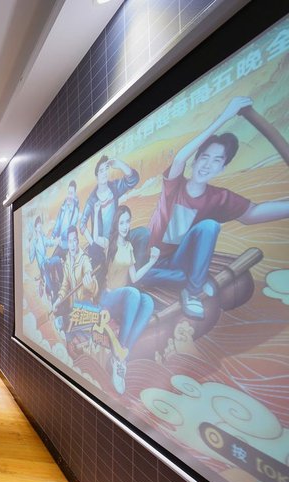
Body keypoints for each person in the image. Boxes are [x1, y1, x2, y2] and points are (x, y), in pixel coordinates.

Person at [138, 96, 289, 319]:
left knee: (209, 226)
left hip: (180, 261)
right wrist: (225, 116)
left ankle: (192, 291)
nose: (208, 165)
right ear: (195, 160)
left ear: (223, 168)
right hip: (152, 263)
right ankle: (195, 281)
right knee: (145, 276)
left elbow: (253, 214)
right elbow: (179, 159)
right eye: (204, 157)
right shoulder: (174, 186)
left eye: (217, 160)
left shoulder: (219, 198)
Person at [99, 206, 159, 394]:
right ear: (116, 224)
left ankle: (121, 357)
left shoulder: (129, 246)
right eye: (122, 222)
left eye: (128, 221)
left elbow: (134, 277)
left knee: (148, 301)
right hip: (109, 297)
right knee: (134, 294)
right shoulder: (109, 244)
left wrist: (152, 261)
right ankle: (119, 354)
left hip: (123, 298)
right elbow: (94, 238)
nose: (125, 226)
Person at [80, 156, 140, 271]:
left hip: (117, 238)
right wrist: (93, 243)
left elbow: (133, 180)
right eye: (101, 170)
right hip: (101, 245)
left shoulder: (114, 187)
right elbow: (82, 224)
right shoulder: (92, 200)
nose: (104, 173)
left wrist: (120, 164)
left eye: (106, 169)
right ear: (96, 175)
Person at [52, 225, 98, 317]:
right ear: (67, 244)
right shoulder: (67, 263)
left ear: (78, 241)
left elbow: (95, 288)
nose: (72, 245)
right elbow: (65, 286)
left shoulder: (84, 260)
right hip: (74, 309)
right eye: (70, 241)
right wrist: (58, 300)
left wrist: (90, 285)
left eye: (74, 240)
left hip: (86, 310)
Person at [28, 216, 56, 302]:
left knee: (57, 260)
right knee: (45, 269)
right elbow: (31, 259)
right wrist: (30, 247)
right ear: (36, 228)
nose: (40, 226)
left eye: (40, 224)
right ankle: (51, 292)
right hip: (42, 265)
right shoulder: (34, 242)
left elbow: (50, 242)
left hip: (47, 260)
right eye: (38, 225)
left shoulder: (43, 238)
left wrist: (56, 241)